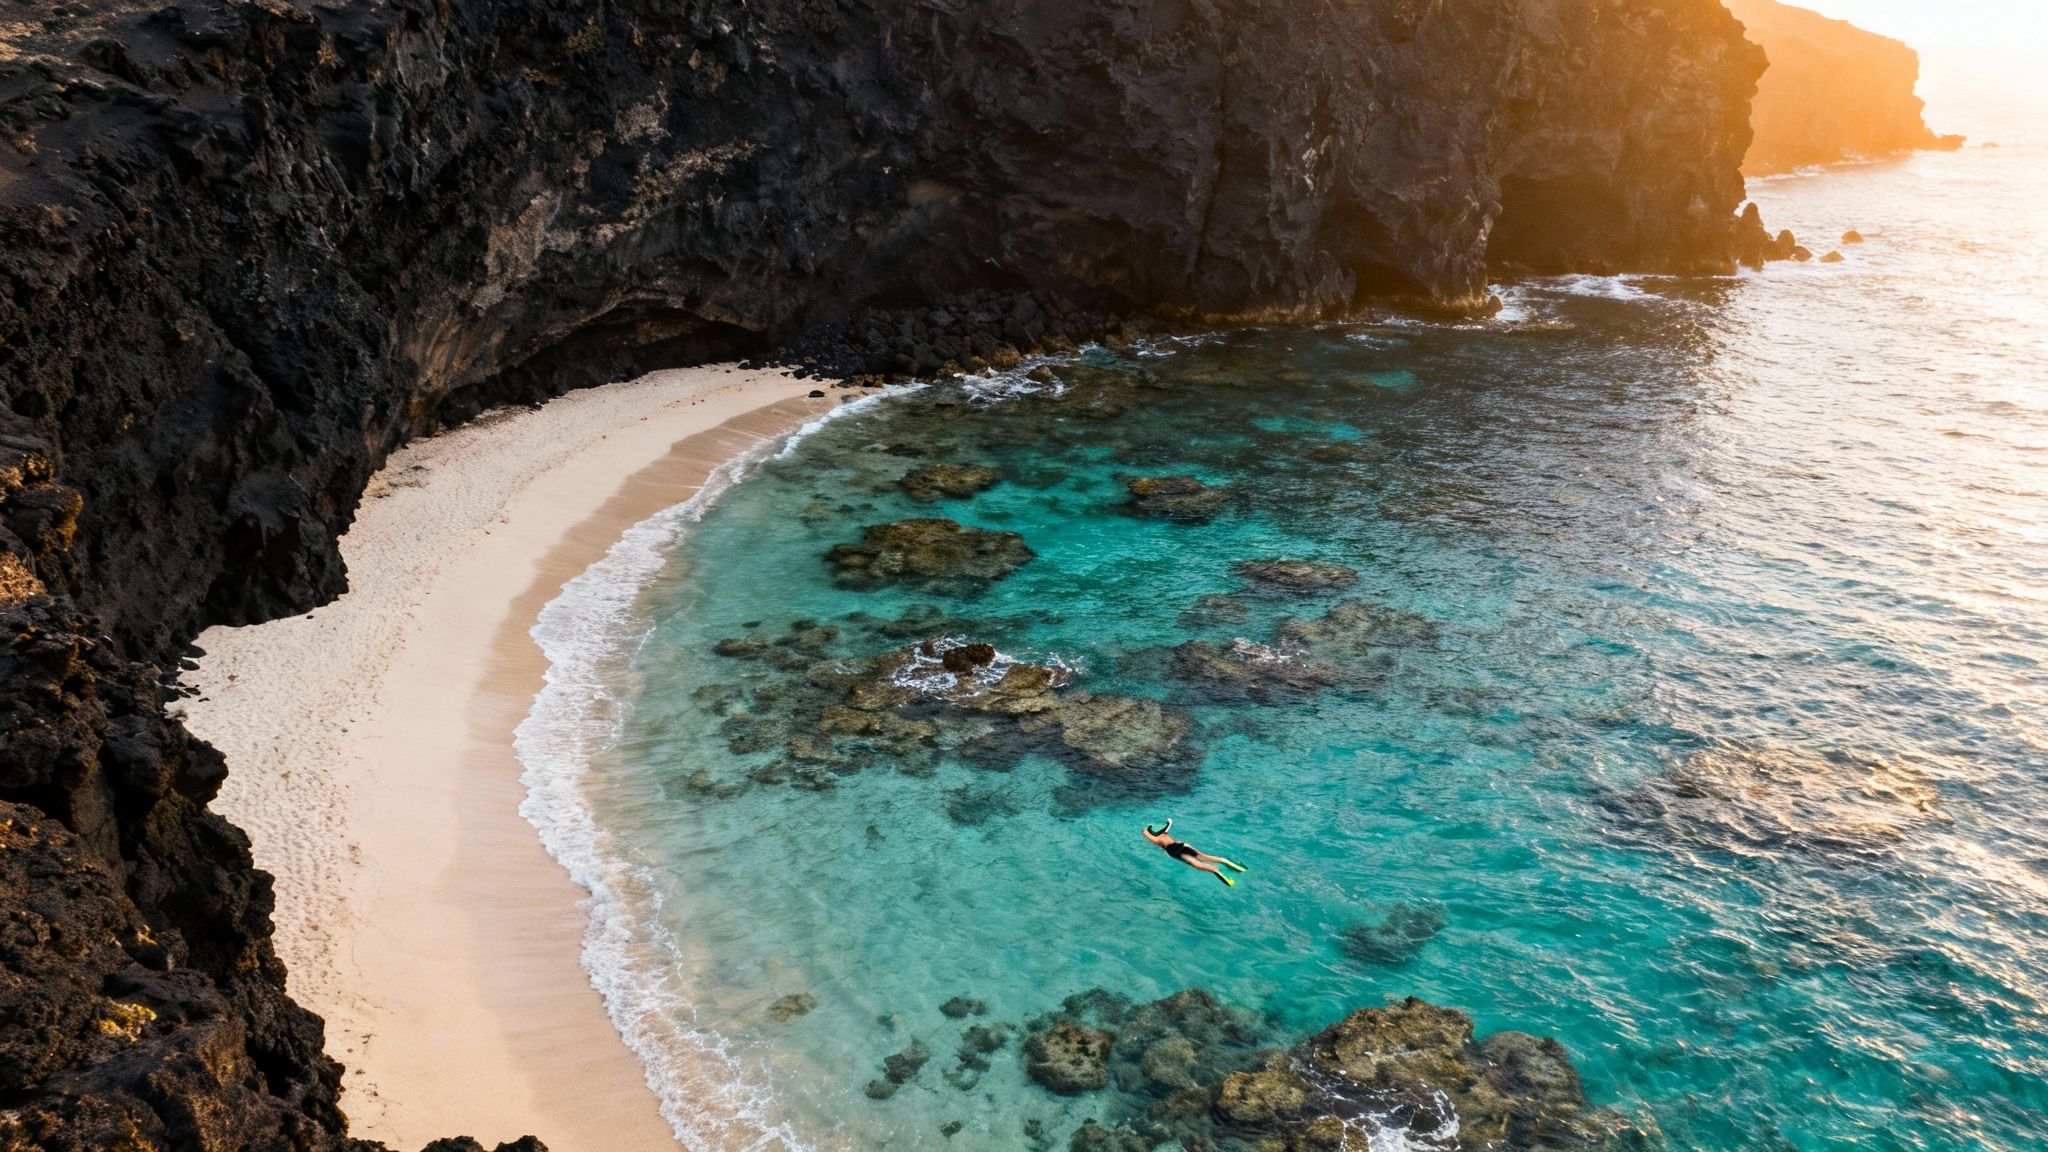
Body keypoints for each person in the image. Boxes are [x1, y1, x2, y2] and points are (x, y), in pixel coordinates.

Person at [1143, 819, 1246, 887]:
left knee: (1197, 864)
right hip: (1181, 845)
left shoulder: (1157, 839)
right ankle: (1224, 862)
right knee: (1203, 857)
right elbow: (1169, 822)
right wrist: (1155, 826)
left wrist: (1146, 829)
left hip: (1174, 850)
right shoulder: (1165, 832)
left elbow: (1146, 833)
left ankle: (1217, 870)